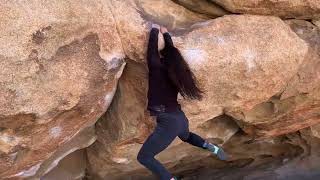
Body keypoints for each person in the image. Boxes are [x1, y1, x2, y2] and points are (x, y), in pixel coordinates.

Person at [137, 24, 228, 180]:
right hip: (179, 118)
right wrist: (165, 35)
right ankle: (212, 148)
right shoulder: (176, 73)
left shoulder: (156, 68)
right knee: (186, 136)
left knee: (144, 157)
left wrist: (154, 30)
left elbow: (151, 51)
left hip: (169, 122)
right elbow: (169, 52)